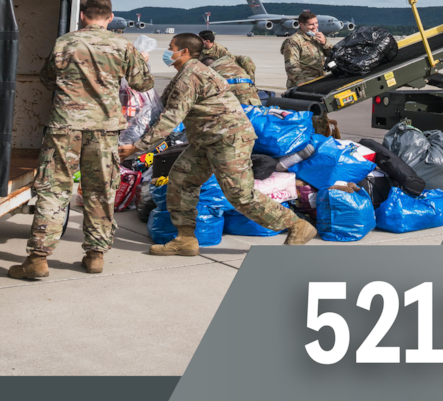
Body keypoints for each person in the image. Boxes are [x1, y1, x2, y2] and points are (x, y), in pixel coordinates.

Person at [122, 33, 317, 252]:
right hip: (207, 140)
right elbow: (163, 104)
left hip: (228, 139)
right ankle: (185, 240)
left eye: (171, 47)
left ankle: (296, 225)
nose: (168, 52)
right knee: (181, 180)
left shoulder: (191, 76)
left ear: (183, 52)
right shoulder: (187, 73)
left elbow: (170, 118)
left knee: (239, 194)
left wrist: (136, 147)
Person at [6, 0, 155, 280]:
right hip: (104, 130)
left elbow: (48, 79)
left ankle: (38, 258)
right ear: (110, 18)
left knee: (54, 190)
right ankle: (95, 255)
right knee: (100, 191)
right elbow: (143, 83)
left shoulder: (65, 42)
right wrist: (140, 62)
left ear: (82, 16)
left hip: (65, 127)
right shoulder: (123, 46)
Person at [198, 29, 262, 106]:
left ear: (207, 41)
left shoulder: (221, 51)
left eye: (200, 40)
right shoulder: (200, 50)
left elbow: (232, 64)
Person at [281, 10, 330, 89]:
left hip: (319, 82)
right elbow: (292, 66)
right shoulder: (293, 41)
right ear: (302, 25)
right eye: (311, 24)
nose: (315, 27)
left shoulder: (318, 37)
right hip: (303, 85)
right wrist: (302, 84)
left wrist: (325, 43)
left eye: (316, 23)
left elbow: (332, 55)